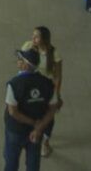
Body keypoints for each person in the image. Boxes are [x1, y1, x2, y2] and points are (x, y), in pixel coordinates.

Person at [4, 48, 57, 171]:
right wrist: (39, 126)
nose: (17, 61)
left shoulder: (14, 84)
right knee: (33, 164)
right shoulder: (47, 83)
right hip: (36, 132)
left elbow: (13, 112)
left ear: (25, 65)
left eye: (20, 59)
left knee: (11, 162)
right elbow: (53, 108)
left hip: (15, 130)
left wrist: (34, 123)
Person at [23, 27, 62, 157]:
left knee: (48, 116)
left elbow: (57, 76)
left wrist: (56, 94)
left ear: (44, 39)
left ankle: (45, 141)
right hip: (31, 86)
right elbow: (22, 65)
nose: (33, 38)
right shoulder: (28, 46)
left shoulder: (54, 54)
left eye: (37, 37)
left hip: (46, 88)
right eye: (33, 35)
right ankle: (32, 132)